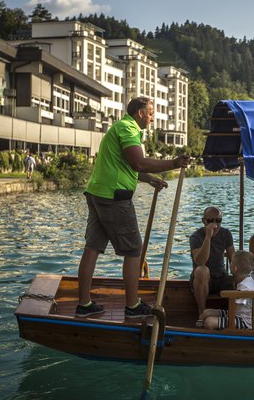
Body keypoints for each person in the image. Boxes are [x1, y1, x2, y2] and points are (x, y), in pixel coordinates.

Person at [76, 96, 190, 318]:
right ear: (139, 112)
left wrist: (149, 179)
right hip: (114, 198)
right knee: (134, 250)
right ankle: (133, 306)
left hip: (98, 193)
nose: (152, 117)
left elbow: (129, 167)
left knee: (92, 248)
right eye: (150, 113)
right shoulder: (128, 128)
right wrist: (174, 164)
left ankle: (84, 304)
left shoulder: (122, 128)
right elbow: (138, 162)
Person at [191, 206, 236, 321]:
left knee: (241, 278)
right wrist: (208, 237)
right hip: (203, 279)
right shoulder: (196, 236)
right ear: (204, 221)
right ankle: (201, 313)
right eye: (211, 221)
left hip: (221, 277)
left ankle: (236, 315)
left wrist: (239, 276)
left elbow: (233, 258)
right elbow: (200, 261)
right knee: (202, 270)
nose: (215, 224)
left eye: (218, 220)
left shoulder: (226, 233)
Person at [200, 250, 254, 330]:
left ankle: (213, 339)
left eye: (231, 262)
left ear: (234, 268)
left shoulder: (245, 286)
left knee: (210, 322)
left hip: (246, 323)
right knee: (206, 312)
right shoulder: (245, 280)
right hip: (237, 315)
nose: (230, 264)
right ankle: (201, 328)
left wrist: (221, 319)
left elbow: (234, 308)